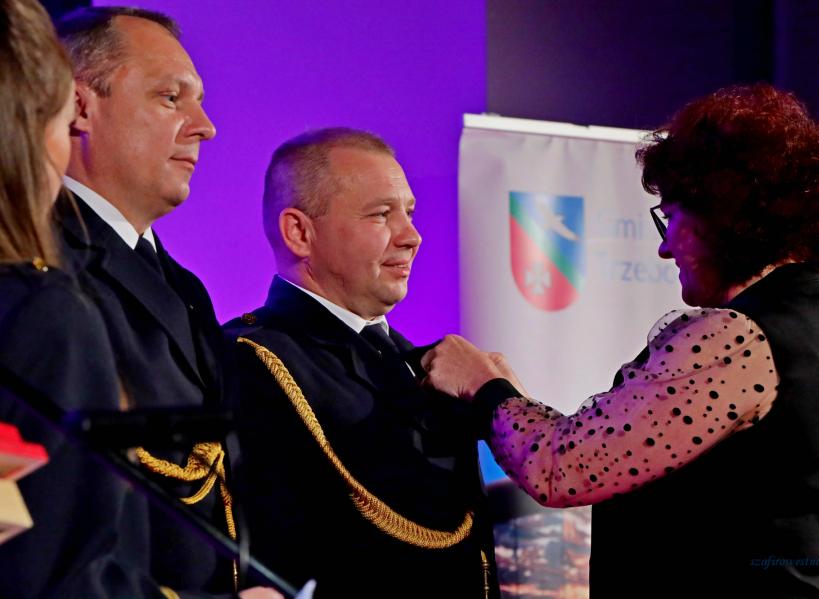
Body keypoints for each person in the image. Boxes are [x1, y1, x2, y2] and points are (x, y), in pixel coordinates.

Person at [422, 84, 819, 598]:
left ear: (723, 216)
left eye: (673, 217)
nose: (665, 247)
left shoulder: (739, 337)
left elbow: (562, 469)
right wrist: (509, 396)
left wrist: (482, 387)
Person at [42, 7, 278, 598]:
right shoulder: (42, 270)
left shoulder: (184, 288)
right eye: (171, 98)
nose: (205, 127)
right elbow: (52, 532)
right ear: (79, 107)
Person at [225, 128, 498, 598]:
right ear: (300, 233)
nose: (412, 237)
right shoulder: (247, 360)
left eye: (409, 213)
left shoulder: (424, 366)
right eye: (381, 215)